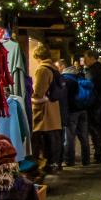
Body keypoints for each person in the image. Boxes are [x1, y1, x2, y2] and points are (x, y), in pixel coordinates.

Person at [31, 44, 63, 174]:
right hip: (53, 110)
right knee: (53, 141)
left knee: (40, 142)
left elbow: (38, 92)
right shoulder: (54, 68)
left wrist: (31, 98)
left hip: (44, 112)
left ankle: (41, 168)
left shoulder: (42, 70)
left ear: (38, 57)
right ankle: (54, 164)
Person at [61, 64, 92, 167]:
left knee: (69, 137)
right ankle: (86, 160)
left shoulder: (67, 81)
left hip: (72, 112)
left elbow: (66, 98)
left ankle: (69, 160)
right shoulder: (80, 78)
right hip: (84, 110)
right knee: (84, 137)